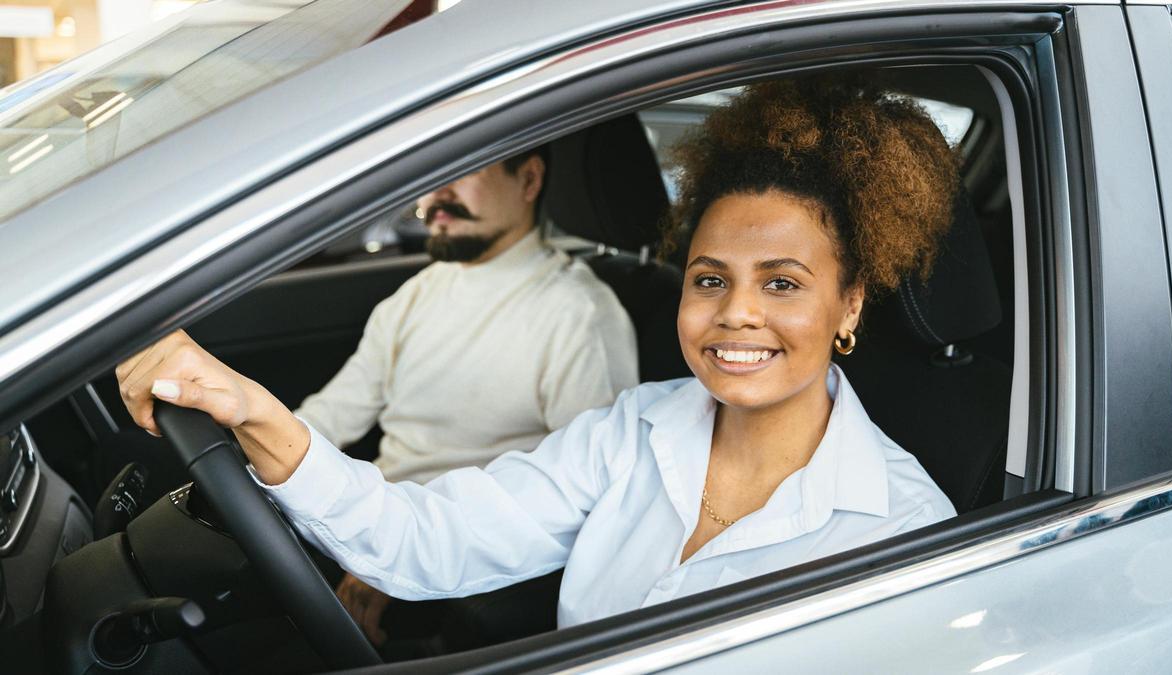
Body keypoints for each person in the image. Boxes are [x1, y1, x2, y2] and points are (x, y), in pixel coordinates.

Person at [115, 75, 958, 633]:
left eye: (781, 284)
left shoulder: (904, 528)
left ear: (849, 303)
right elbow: (425, 537)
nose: (735, 314)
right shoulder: (632, 433)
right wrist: (254, 412)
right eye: (709, 279)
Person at [284, 148, 641, 642]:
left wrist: (398, 562)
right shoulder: (418, 292)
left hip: (463, 566)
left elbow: (588, 495)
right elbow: (334, 413)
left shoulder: (579, 315)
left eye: (464, 168)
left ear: (530, 179)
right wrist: (257, 456)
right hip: (368, 525)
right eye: (431, 172)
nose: (438, 194)